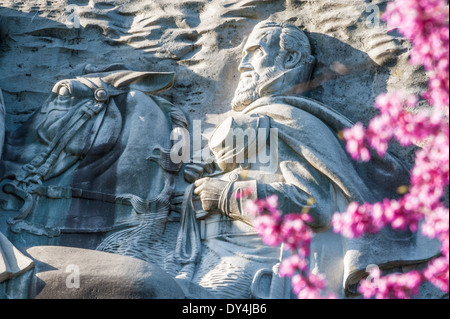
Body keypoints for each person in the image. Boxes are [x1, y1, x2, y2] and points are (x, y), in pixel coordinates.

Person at [184, 21, 441, 298]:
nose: (242, 65)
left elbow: (313, 205)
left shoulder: (286, 121)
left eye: (255, 52)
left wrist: (228, 195)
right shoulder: (264, 120)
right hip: (215, 258)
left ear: (290, 58)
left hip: (259, 267)